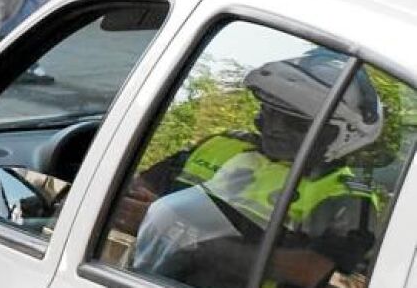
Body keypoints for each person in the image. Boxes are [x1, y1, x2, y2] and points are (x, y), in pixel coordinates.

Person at [116, 53, 383, 288]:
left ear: (343, 134)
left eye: (294, 121)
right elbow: (135, 189)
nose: (275, 127)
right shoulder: (222, 144)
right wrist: (141, 209)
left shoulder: (345, 194)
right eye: (270, 111)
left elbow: (306, 271)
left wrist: (181, 233)